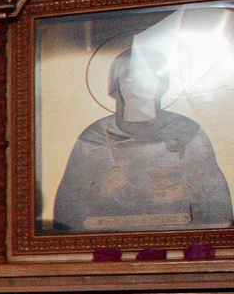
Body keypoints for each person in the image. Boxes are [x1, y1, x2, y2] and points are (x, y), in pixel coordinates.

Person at [51, 15, 234, 232]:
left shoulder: (187, 133)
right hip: (107, 237)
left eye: (147, 78)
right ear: (116, 86)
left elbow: (217, 201)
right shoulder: (94, 137)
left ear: (161, 84)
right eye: (129, 78)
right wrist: (103, 188)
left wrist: (185, 191)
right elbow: (66, 211)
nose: (138, 87)